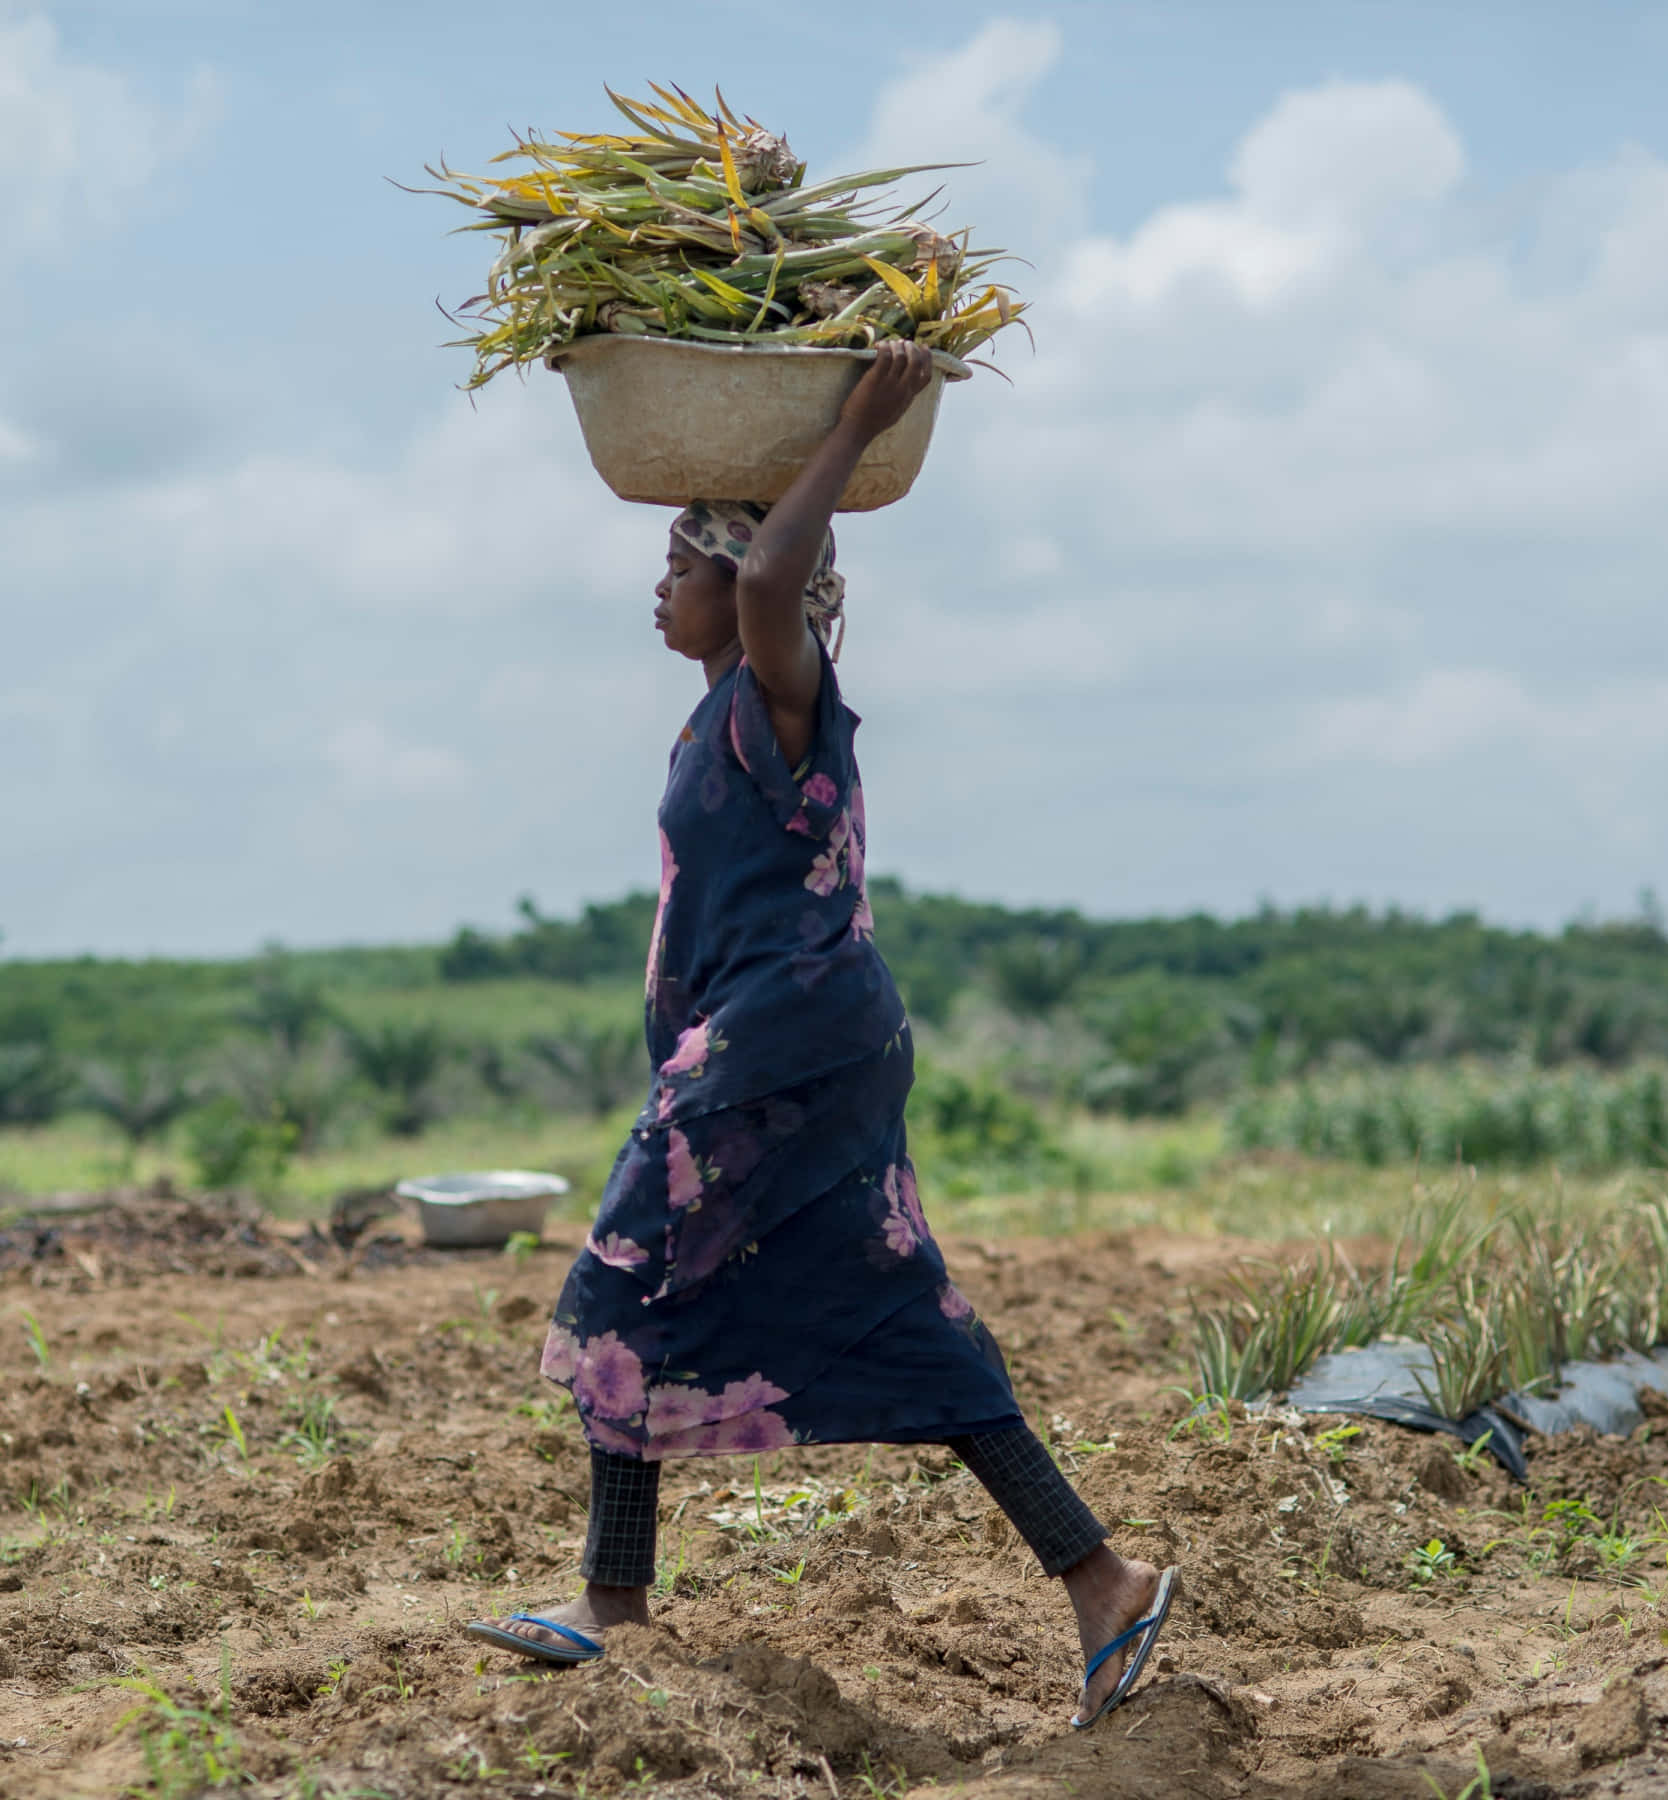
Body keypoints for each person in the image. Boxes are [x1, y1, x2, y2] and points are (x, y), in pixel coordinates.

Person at [466, 341, 1179, 1729]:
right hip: (794, 1041)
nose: (656, 587)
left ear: (740, 585)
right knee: (892, 1306)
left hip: (784, 1046)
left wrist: (858, 422)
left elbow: (776, 577)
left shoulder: (779, 693)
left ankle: (613, 1607)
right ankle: (1104, 1580)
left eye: (680, 564)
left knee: (623, 1282)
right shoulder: (718, 717)